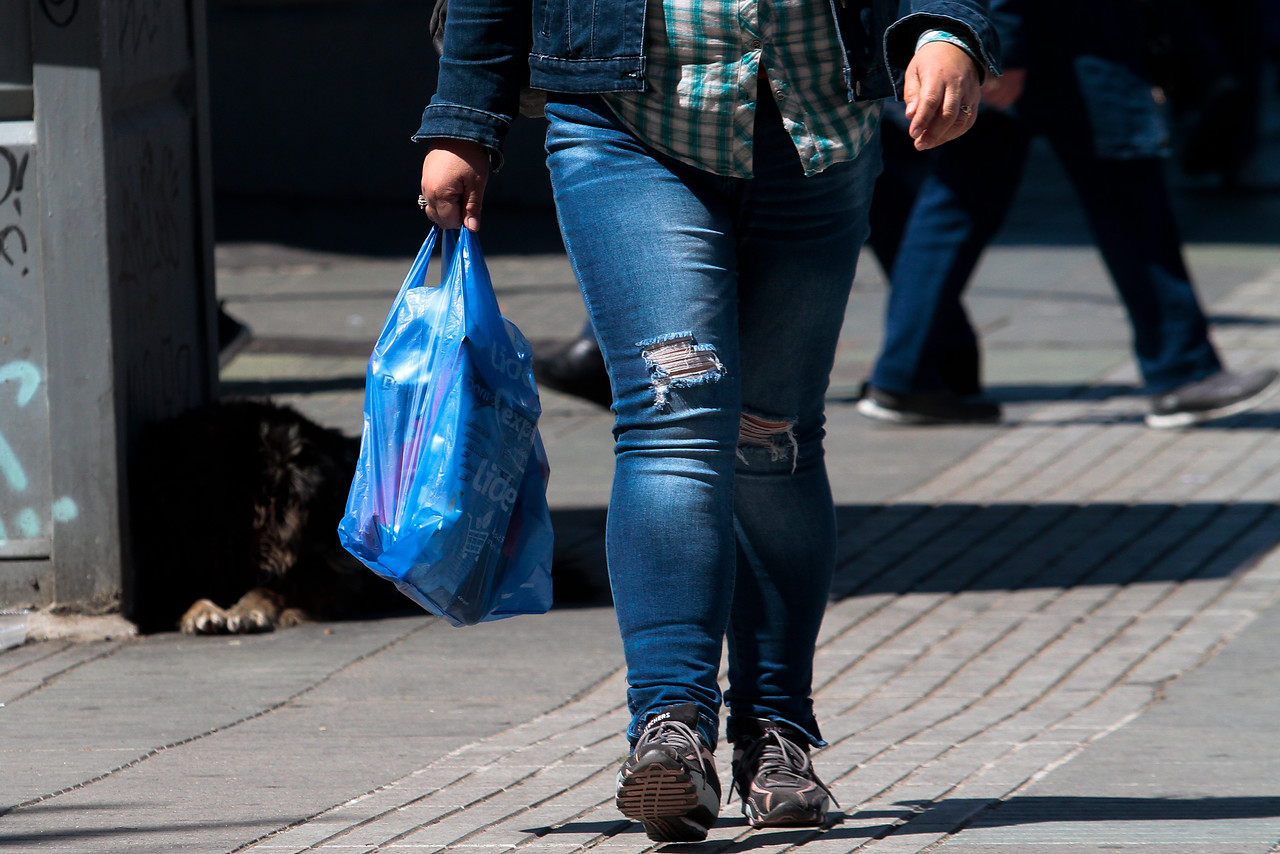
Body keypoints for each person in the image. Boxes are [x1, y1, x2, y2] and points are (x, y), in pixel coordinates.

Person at [416, 0, 998, 841]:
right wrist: (463, 118)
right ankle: (671, 732)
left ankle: (776, 738)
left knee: (774, 438)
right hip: (628, 125)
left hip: (816, 121)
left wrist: (944, 28)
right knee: (673, 420)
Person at [857, 0, 1280, 429]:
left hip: (1042, 43)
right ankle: (1183, 370)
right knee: (1127, 195)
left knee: (957, 204)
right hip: (1068, 49)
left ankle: (905, 376)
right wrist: (1005, 47)